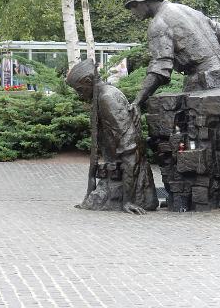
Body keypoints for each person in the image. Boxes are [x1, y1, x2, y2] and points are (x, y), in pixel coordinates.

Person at [66, 59, 159, 214]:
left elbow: (130, 148)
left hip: (129, 177)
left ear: (88, 81)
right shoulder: (102, 96)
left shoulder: (107, 98)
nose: (80, 95)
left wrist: (128, 200)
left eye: (80, 90)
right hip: (118, 173)